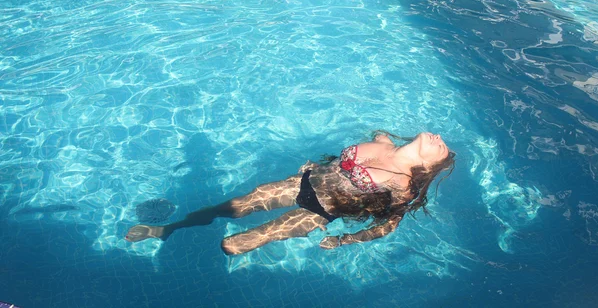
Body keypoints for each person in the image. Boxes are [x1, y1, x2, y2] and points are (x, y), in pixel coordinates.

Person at [125, 131, 455, 255]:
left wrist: (345, 240)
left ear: (432, 166)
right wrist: (315, 167)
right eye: (440, 140)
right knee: (226, 208)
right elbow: (339, 162)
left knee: (233, 245)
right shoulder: (383, 138)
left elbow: (389, 225)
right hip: (299, 183)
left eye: (442, 148)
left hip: (318, 212)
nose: (440, 138)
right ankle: (167, 229)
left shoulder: (403, 187)